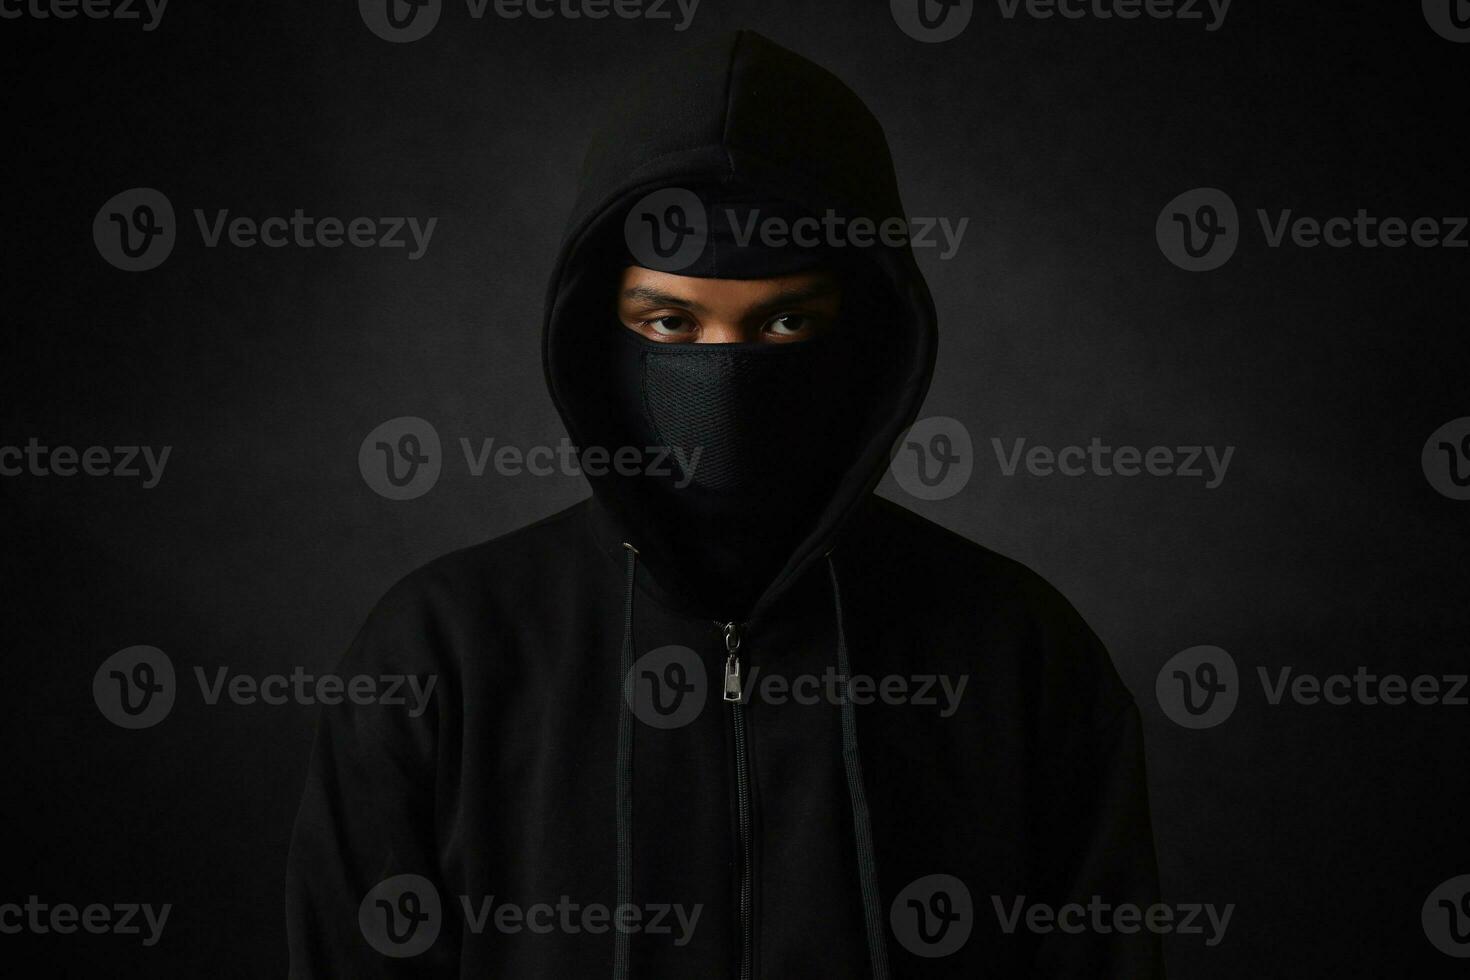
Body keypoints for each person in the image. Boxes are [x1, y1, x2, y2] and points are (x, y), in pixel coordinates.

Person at [287, 30, 1164, 978]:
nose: (726, 376)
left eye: (785, 322)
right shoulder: (438, 657)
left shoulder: (1021, 657)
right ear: (597, 335)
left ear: (869, 336)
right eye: (670, 323)